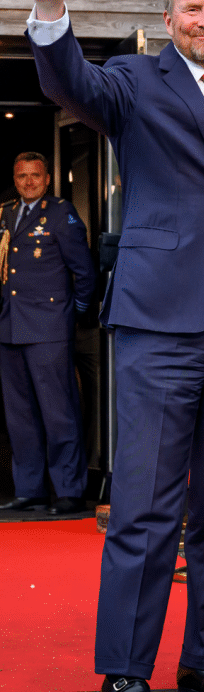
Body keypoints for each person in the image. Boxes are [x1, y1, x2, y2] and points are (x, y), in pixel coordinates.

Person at [23, 0, 204, 692]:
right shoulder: (135, 82)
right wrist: (51, 10)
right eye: (192, 9)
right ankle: (127, 670)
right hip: (159, 324)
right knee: (147, 503)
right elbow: (71, 85)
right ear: (170, 21)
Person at [0, 151, 95, 514]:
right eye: (21, 176)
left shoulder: (59, 213)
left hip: (48, 326)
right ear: (15, 179)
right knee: (19, 416)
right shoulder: (6, 213)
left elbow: (83, 271)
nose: (28, 182)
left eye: (35, 176)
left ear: (48, 179)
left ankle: (69, 490)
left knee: (59, 412)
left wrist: (77, 314)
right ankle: (31, 489)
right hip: (10, 325)